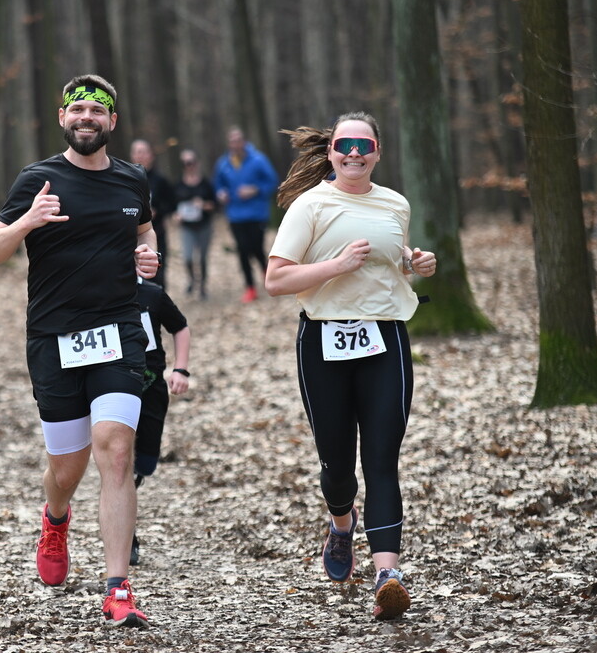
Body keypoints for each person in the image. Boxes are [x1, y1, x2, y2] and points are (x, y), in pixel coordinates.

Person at [0, 74, 158, 629]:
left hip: (119, 332)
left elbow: (146, 233)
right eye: (76, 108)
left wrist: (146, 258)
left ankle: (117, 587)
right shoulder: (38, 179)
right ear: (62, 118)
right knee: (67, 466)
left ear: (112, 123)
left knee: (116, 449)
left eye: (97, 110)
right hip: (54, 338)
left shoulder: (133, 182)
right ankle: (56, 520)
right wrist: (28, 221)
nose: (86, 117)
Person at [263, 111, 436, 621]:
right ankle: (342, 526)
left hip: (385, 338)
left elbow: (392, 260)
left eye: (365, 145)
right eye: (345, 145)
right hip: (324, 341)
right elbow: (276, 280)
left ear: (378, 152)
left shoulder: (395, 204)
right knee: (338, 465)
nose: (355, 153)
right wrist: (336, 266)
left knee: (382, 458)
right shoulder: (310, 205)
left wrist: (415, 264)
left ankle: (388, 576)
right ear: (332, 153)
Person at [130, 276, 191, 565]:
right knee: (121, 461)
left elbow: (179, 326)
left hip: (152, 387)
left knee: (146, 462)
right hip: (114, 385)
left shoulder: (152, 294)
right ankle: (127, 533)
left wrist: (181, 369)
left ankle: (134, 477)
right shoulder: (98, 295)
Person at [213, 128, 278, 302]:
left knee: (256, 247)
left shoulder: (258, 159)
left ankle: (267, 271)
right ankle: (250, 287)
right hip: (235, 215)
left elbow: (272, 181)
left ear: (244, 141)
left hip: (257, 213)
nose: (235, 144)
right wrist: (221, 193)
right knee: (242, 249)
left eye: (237, 140)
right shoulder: (224, 163)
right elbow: (218, 184)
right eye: (232, 141)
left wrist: (255, 190)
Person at [130, 139, 176, 288]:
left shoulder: (160, 180)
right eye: (137, 152)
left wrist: (158, 211)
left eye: (144, 152)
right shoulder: (126, 178)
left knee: (157, 272)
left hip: (157, 232)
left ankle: (160, 305)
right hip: (132, 235)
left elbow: (172, 204)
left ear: (151, 155)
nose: (141, 155)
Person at [172, 149, 218, 299]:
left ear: (196, 163)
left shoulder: (205, 184)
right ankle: (192, 279)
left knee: (202, 258)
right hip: (187, 228)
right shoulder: (178, 185)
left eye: (191, 162)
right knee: (187, 258)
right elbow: (172, 208)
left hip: (204, 226)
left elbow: (215, 205)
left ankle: (203, 286)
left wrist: (204, 205)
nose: (188, 166)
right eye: (185, 163)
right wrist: (176, 216)